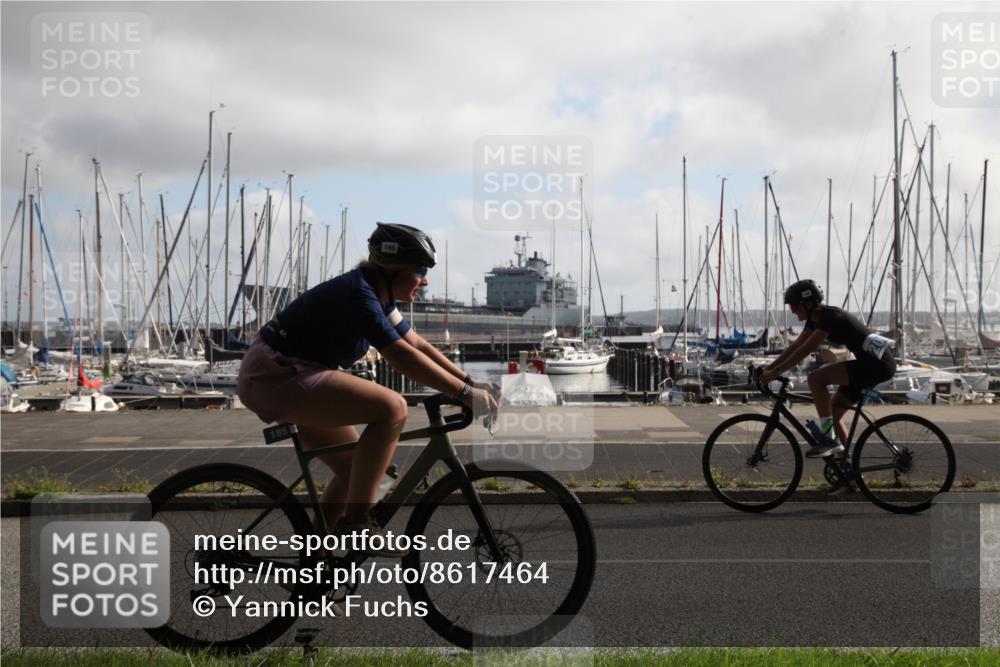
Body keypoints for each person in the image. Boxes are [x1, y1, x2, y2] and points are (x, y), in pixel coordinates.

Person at [237, 223, 498, 554]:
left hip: (292, 373)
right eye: (419, 270)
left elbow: (414, 343)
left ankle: (314, 572)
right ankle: (357, 525)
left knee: (356, 474)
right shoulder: (358, 294)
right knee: (392, 408)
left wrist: (469, 383)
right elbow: (400, 356)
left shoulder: (378, 296)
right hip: (275, 376)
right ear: (392, 270)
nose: (426, 279)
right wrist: (464, 395)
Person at [759, 279, 896, 459]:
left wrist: (775, 373)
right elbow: (794, 347)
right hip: (870, 363)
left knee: (815, 379)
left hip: (877, 364)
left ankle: (828, 440)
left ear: (808, 304)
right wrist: (766, 370)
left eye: (793, 305)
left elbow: (806, 349)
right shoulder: (814, 320)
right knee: (832, 414)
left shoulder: (830, 318)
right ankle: (849, 473)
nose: (791, 310)